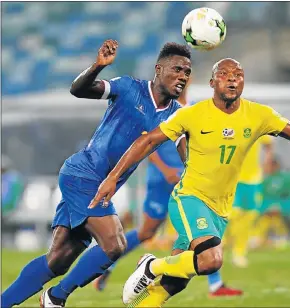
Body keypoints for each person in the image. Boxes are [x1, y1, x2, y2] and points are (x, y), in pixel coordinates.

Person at [89, 58, 290, 307]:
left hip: (220, 208)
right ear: (212, 82)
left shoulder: (258, 115)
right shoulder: (192, 114)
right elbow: (149, 140)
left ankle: (142, 300)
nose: (233, 79)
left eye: (238, 74)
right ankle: (152, 265)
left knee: (174, 284)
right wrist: (113, 178)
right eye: (225, 74)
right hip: (190, 198)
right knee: (212, 261)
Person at [1, 39, 192, 308]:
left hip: (98, 185)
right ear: (159, 69)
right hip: (84, 174)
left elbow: (190, 158)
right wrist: (97, 66)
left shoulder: (177, 116)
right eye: (177, 69)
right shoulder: (128, 87)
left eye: (187, 72)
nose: (183, 76)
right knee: (114, 244)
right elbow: (79, 89)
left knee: (58, 259)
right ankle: (55, 298)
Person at [93, 81, 243, 297]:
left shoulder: (192, 110)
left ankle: (215, 284)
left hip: (187, 182)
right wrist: (166, 171)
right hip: (161, 181)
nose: (183, 80)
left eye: (187, 75)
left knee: (201, 230)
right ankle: (107, 266)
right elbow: (146, 143)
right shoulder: (161, 110)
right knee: (147, 232)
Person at [226, 135, 272, 268]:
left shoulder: (258, 119)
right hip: (233, 177)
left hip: (254, 179)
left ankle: (239, 253)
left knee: (250, 215)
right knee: (234, 213)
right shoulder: (228, 119)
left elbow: (268, 144)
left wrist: (267, 161)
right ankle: (221, 243)